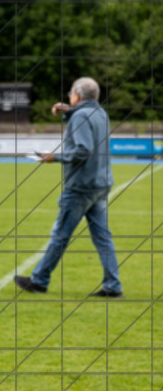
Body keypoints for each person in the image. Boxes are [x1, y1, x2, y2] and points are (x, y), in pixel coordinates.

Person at [14, 77, 121, 298]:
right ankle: (113, 286)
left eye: (71, 93)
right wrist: (69, 112)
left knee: (60, 235)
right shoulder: (100, 113)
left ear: (78, 95)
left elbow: (83, 149)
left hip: (81, 187)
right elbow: (84, 125)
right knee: (103, 237)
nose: (68, 97)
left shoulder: (80, 116)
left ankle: (39, 280)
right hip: (100, 184)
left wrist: (55, 157)